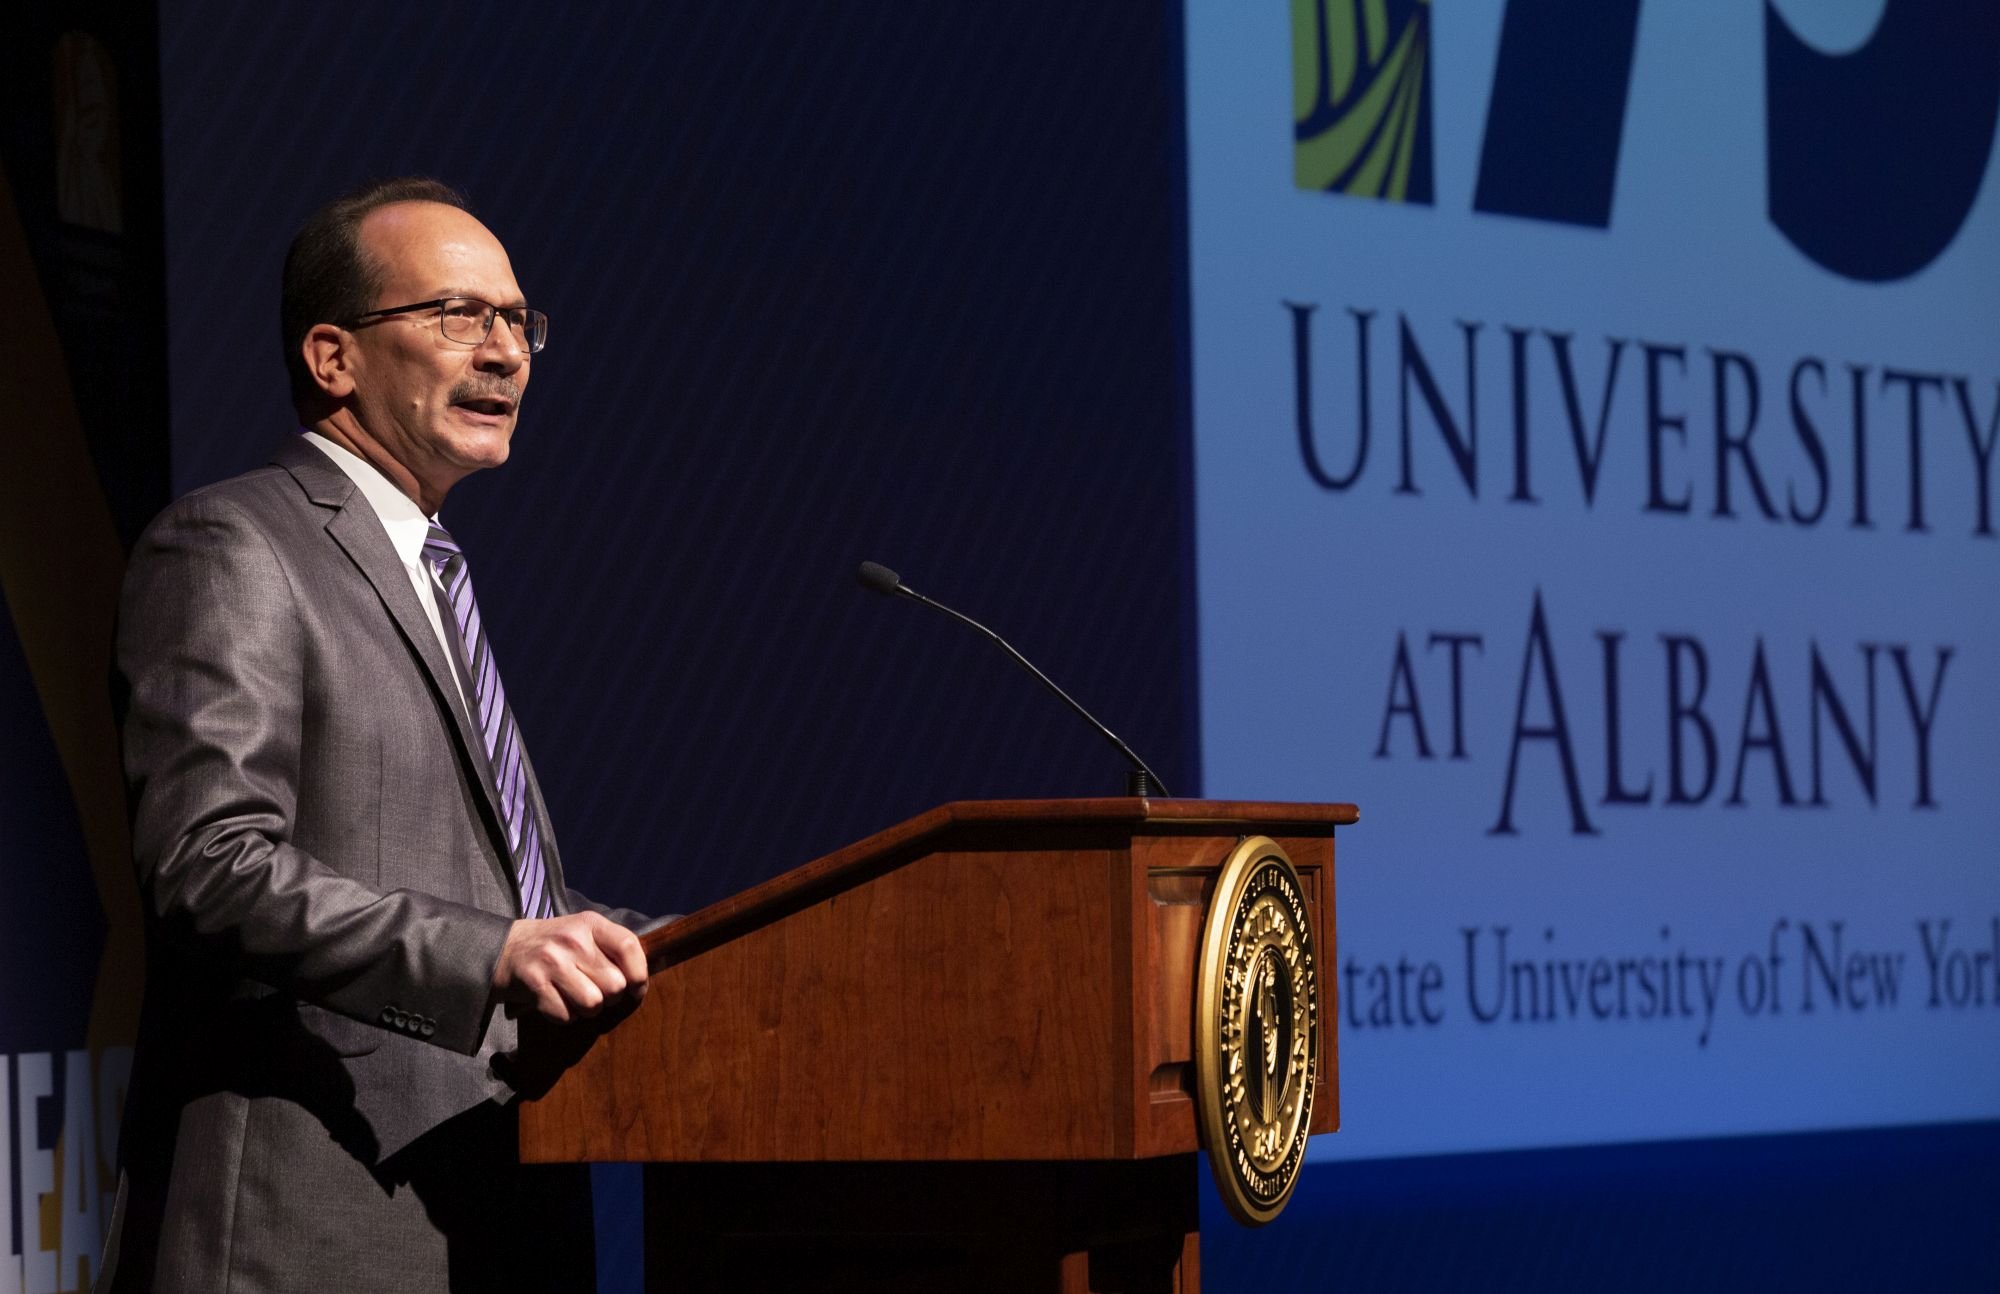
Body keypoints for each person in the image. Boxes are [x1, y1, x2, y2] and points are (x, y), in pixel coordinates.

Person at [100, 177, 656, 1292]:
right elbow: (209, 862)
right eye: (458, 315)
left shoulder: (434, 572)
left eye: (515, 320)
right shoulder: (233, 543)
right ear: (332, 357)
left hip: (490, 1199)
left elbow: (507, 900)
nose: (503, 351)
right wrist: (487, 954)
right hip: (317, 1214)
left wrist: (696, 947)